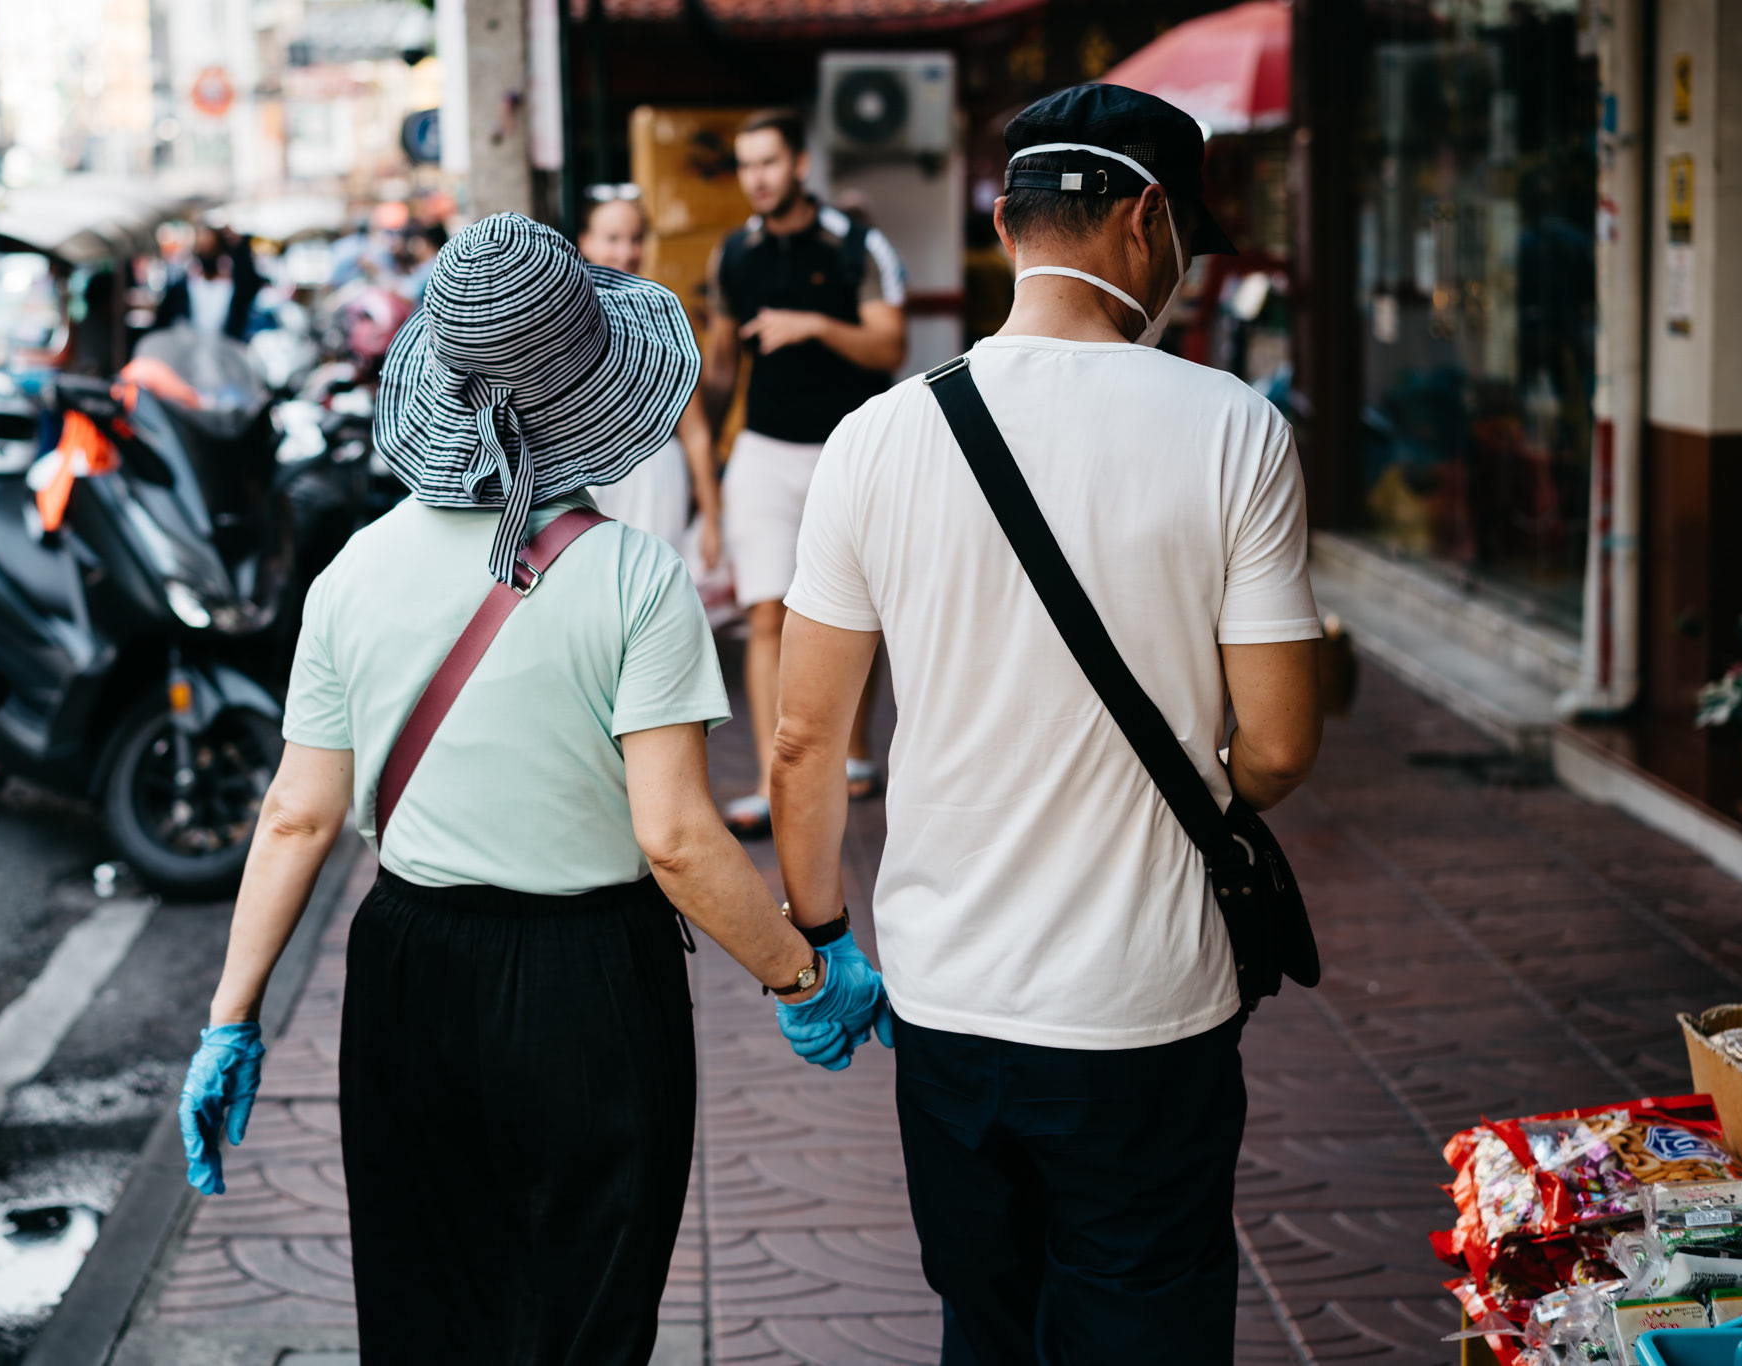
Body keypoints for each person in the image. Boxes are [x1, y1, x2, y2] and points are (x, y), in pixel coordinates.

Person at [176, 215, 890, 1363]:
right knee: (588, 1322)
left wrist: (230, 1017)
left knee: (426, 1312)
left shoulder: (353, 572)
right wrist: (803, 972)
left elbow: (298, 814)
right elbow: (675, 838)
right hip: (595, 985)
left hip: (410, 969)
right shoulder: (633, 576)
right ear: (591, 388)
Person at [769, 85, 1324, 1362]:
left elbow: (803, 739)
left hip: (945, 999)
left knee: (988, 1320)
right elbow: (1282, 747)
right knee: (1145, 1322)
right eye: (1183, 229)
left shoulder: (875, 438)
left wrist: (820, 945)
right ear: (1142, 221)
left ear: (1014, 224)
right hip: (1147, 1006)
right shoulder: (1234, 429)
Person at [702, 109, 905, 835]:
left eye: (767, 161)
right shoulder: (733, 255)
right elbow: (723, 363)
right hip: (762, 450)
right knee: (767, 613)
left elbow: (889, 347)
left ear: (799, 164)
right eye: (745, 164)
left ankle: (852, 750)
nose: (755, 176)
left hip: (850, 450)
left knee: (862, 609)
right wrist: (707, 457)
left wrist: (814, 325)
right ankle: (770, 778)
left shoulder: (857, 246)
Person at [577, 190, 722, 568]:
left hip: (655, 478)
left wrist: (711, 518)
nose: (626, 252)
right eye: (613, 239)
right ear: (586, 242)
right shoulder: (561, 318)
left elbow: (695, 430)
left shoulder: (666, 316)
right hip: (584, 480)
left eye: (636, 238)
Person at [155, 225, 263, 341]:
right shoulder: (182, 287)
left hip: (223, 354)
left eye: (212, 248)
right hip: (188, 353)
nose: (207, 253)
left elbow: (253, 281)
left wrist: (241, 242)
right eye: (202, 248)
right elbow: (163, 324)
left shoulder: (233, 288)